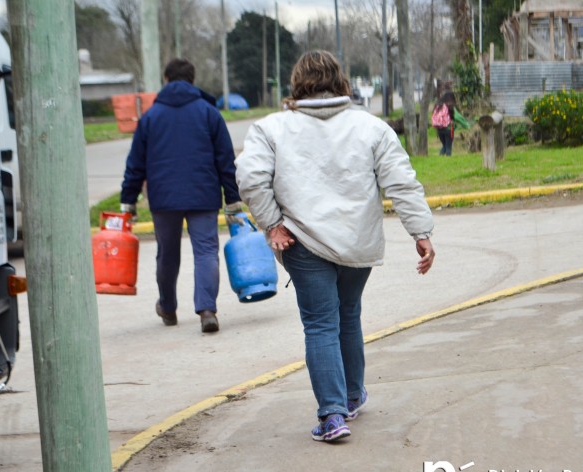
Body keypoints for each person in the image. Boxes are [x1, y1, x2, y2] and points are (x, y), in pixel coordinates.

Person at [235, 50, 435, 443]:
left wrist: (272, 224)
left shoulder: (271, 128)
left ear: (297, 83)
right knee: (347, 316)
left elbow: (250, 177)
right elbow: (402, 183)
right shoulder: (371, 127)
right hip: (357, 243)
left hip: (302, 243)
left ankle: (332, 415)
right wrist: (421, 232)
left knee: (320, 324)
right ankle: (352, 395)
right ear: (341, 81)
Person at [120, 59, 243, 333]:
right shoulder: (208, 112)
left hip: (164, 198)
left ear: (166, 79)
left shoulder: (150, 117)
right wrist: (232, 197)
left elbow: (135, 163)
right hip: (204, 194)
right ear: (192, 78)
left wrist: (128, 200)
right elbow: (225, 159)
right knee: (206, 251)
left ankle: (168, 307)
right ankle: (207, 309)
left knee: (167, 254)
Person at [432, 90, 457, 156]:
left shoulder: (437, 106)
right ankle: (449, 160)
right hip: (448, 129)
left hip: (439, 129)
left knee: (444, 146)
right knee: (448, 147)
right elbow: (455, 117)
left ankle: (440, 158)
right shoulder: (449, 105)